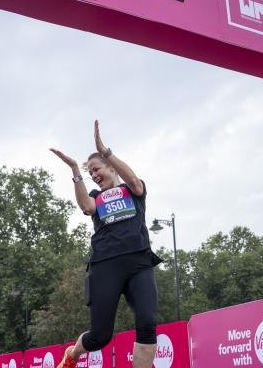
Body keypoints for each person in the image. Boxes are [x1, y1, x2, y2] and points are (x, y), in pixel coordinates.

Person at [50, 120, 161, 368]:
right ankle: (72, 354)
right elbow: (87, 208)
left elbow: (133, 181)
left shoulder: (133, 189)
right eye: (89, 172)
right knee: (100, 337)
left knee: (147, 323)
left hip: (139, 263)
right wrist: (75, 172)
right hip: (105, 267)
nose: (93, 174)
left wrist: (106, 150)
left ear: (111, 167)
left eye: (96, 168)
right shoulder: (95, 197)